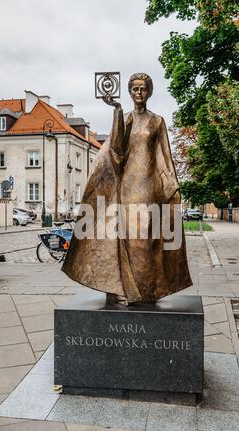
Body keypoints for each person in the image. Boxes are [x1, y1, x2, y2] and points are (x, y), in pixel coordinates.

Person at [62, 73, 192, 305]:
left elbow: (165, 156)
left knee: (147, 238)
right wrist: (116, 111)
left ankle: (147, 289)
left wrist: (171, 187)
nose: (139, 93)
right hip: (127, 187)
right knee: (126, 236)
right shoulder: (126, 119)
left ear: (149, 92)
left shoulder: (157, 121)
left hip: (149, 187)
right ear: (130, 92)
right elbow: (116, 152)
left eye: (143, 89)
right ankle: (123, 289)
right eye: (134, 89)